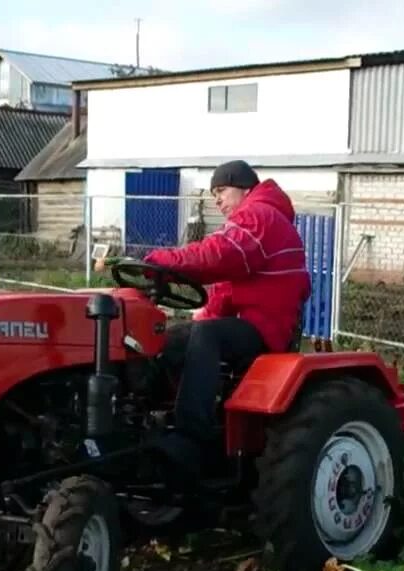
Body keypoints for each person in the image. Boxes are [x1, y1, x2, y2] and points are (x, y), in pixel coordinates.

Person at [101, 160, 310, 477]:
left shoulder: (260, 216)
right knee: (168, 339)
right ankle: (144, 424)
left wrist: (154, 261)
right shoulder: (258, 222)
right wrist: (200, 318)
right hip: (247, 321)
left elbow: (216, 255)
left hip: (265, 327)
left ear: (245, 188)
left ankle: (190, 438)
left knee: (206, 337)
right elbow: (226, 289)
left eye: (222, 191)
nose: (217, 200)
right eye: (214, 193)